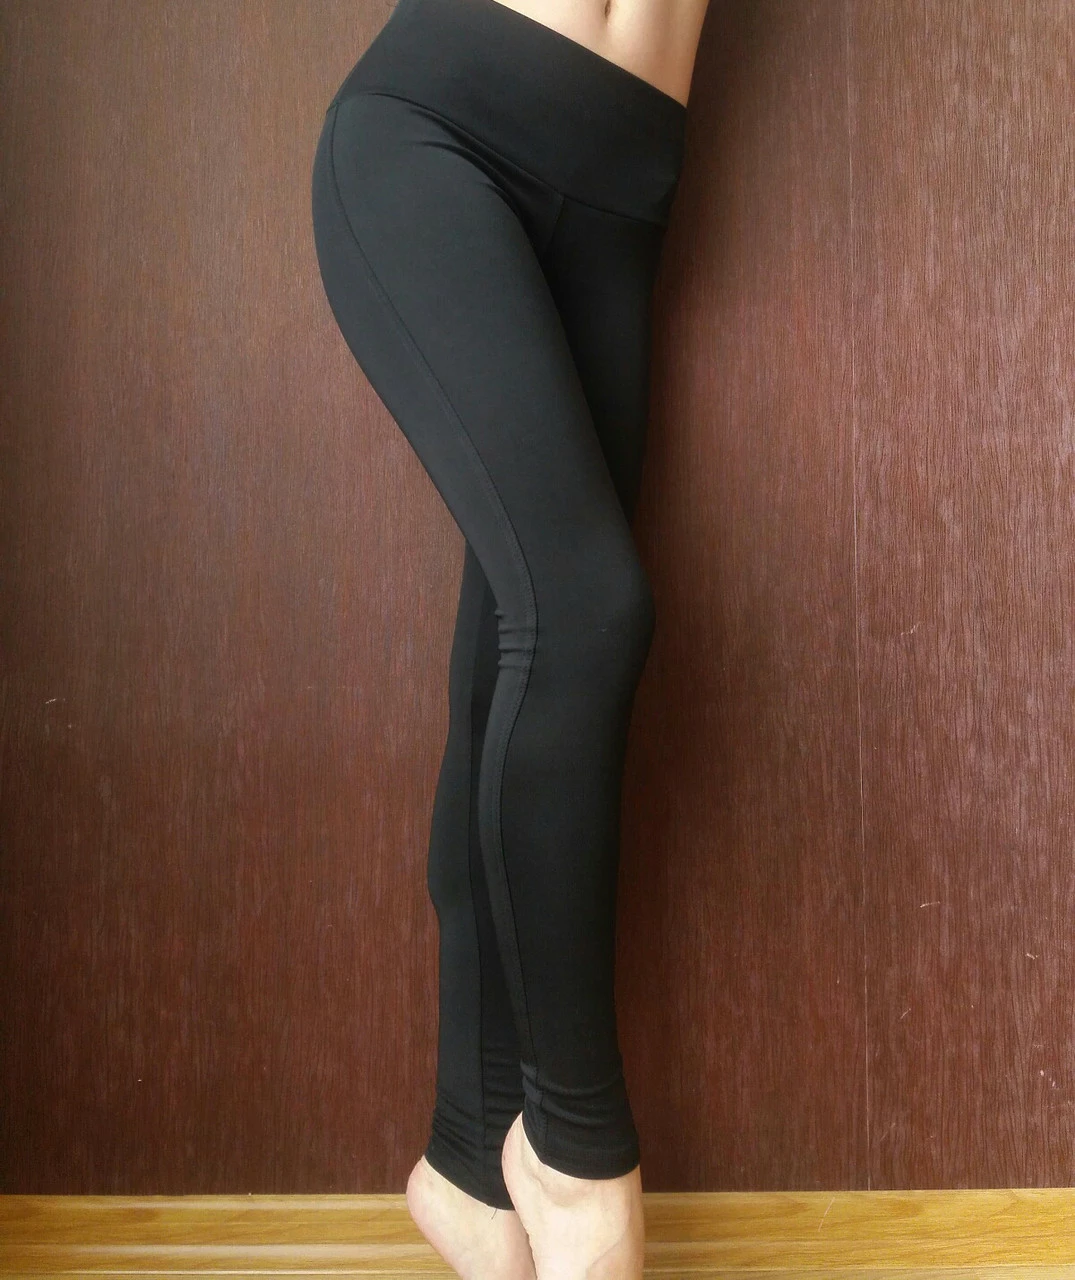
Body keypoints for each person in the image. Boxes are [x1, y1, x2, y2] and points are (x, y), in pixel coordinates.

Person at [310, 0, 709, 1274]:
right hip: (441, 129)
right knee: (586, 615)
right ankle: (579, 1159)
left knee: (517, 646)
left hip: (622, 190)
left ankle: (468, 1164)